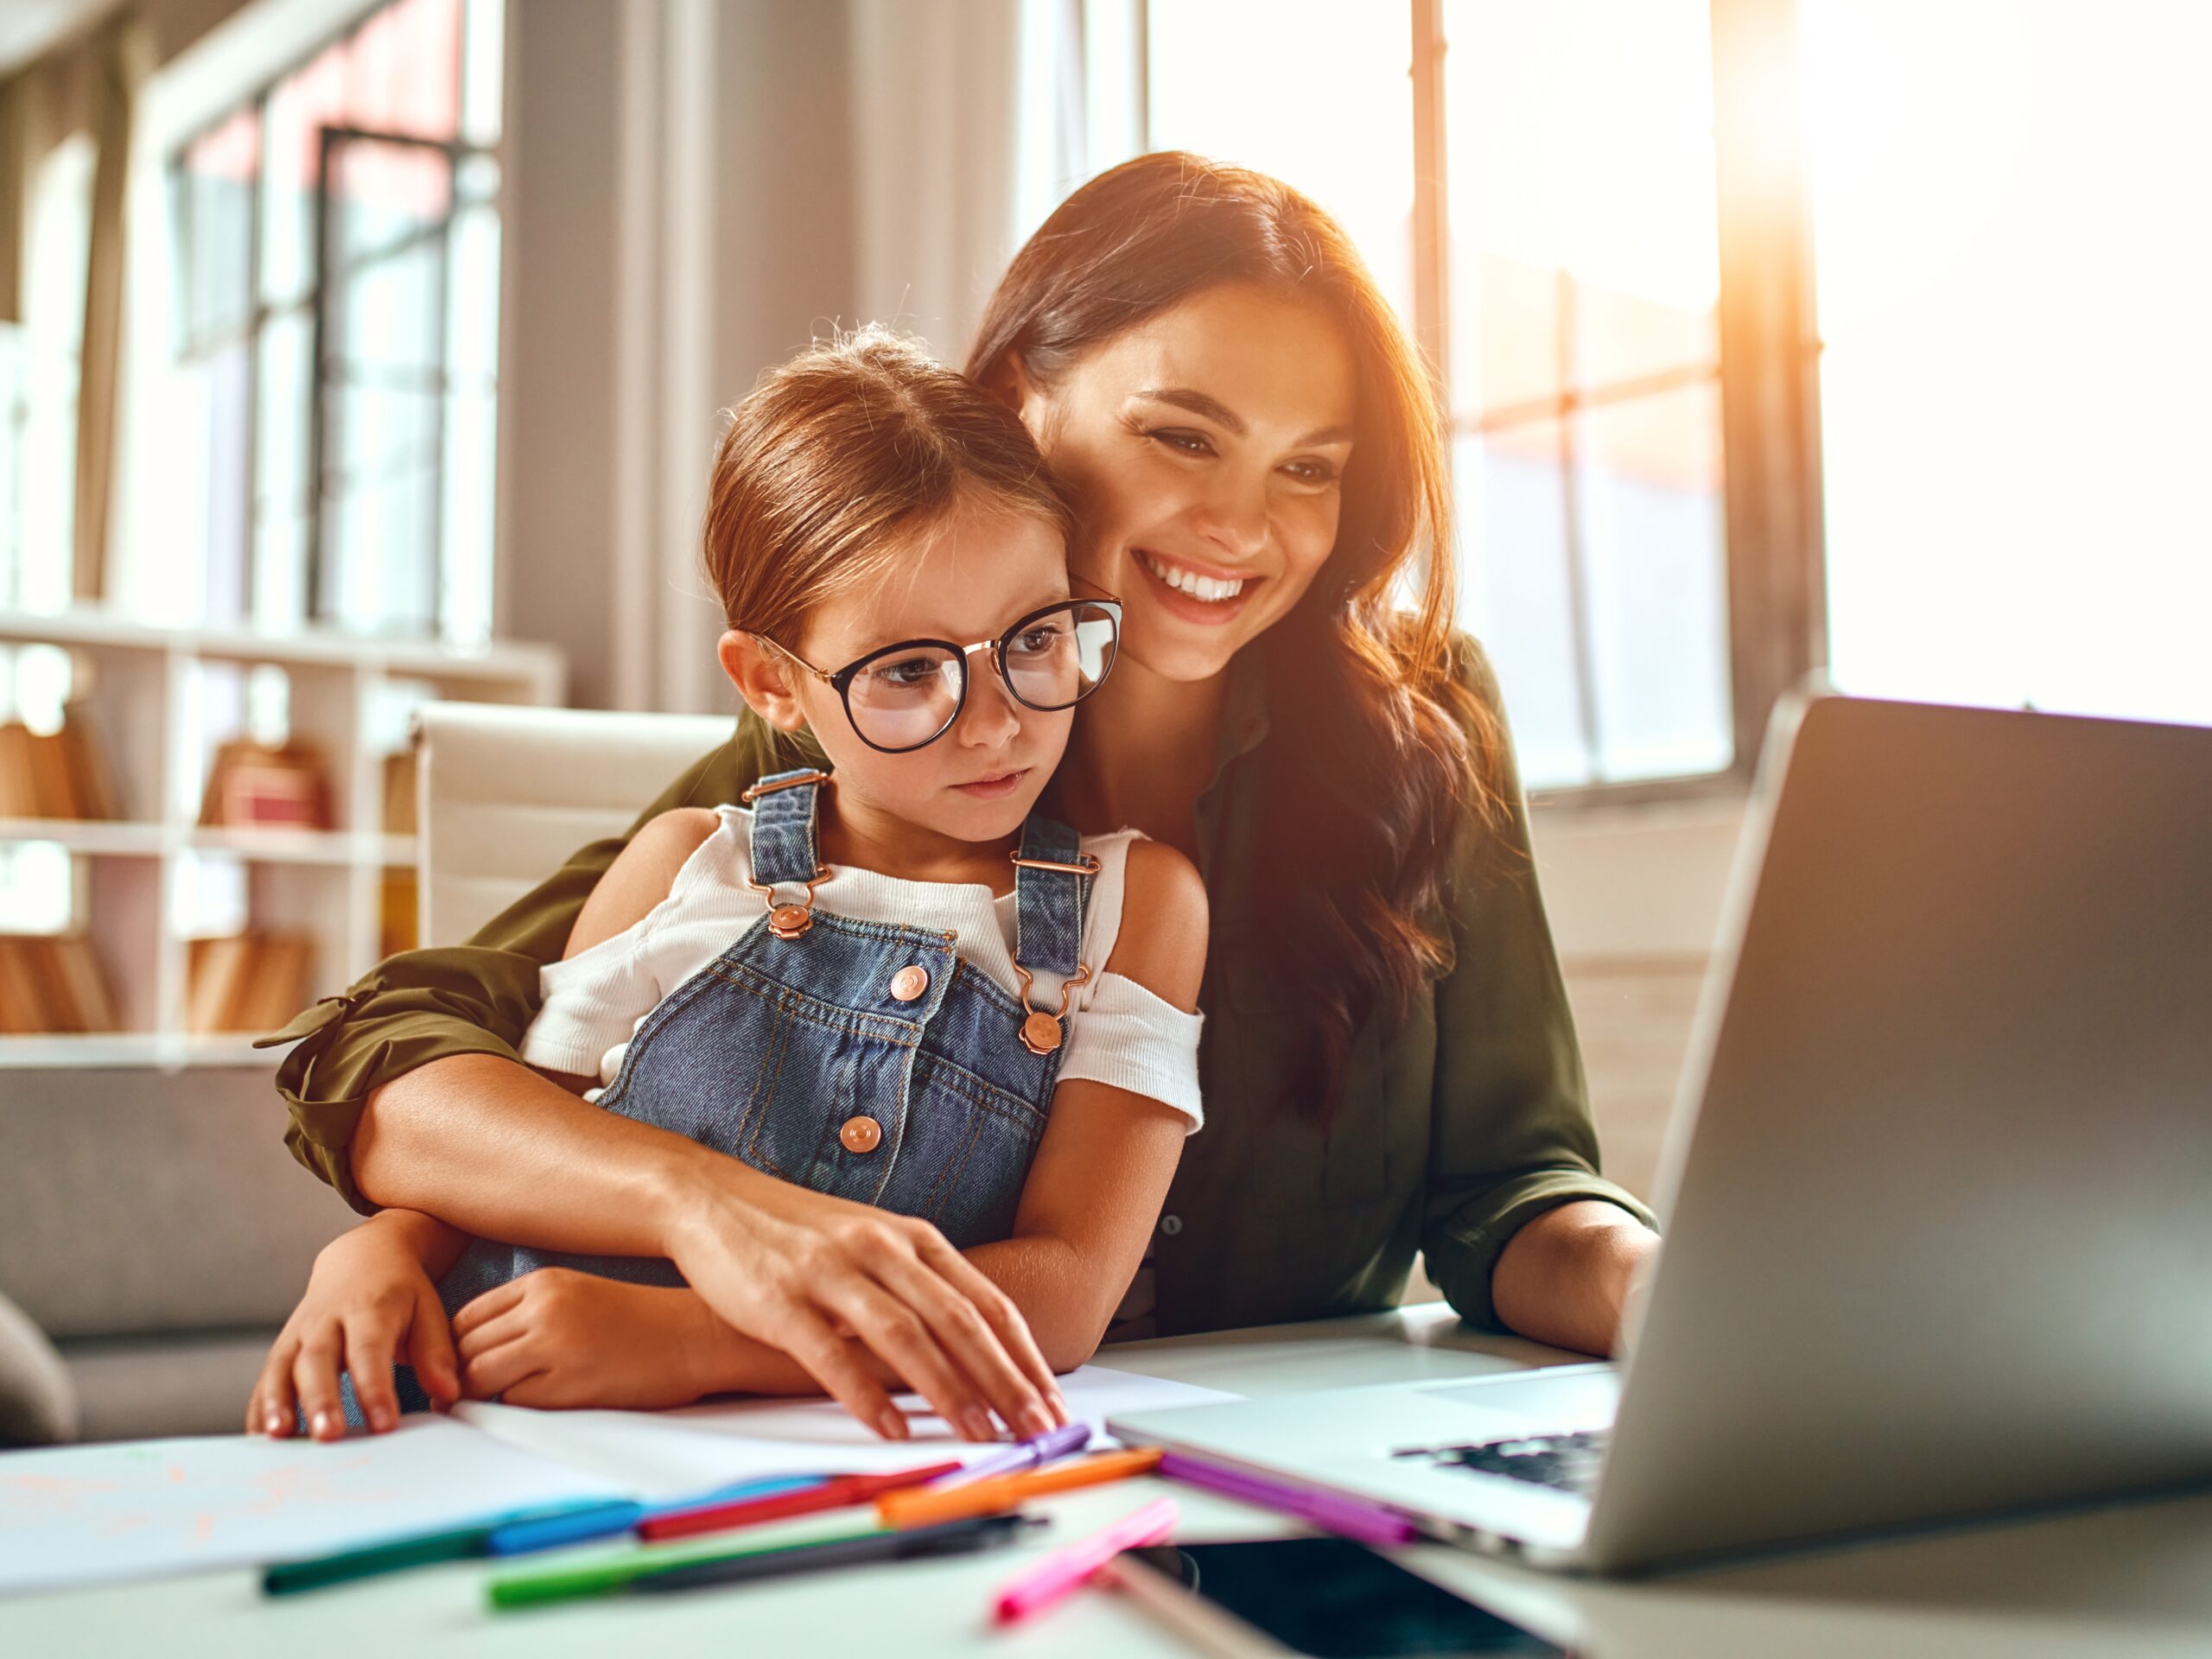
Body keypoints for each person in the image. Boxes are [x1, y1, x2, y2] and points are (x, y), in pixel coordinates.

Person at [258, 152, 1658, 1440]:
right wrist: (653, 1219)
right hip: (902, 1452)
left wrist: (1667, 1288)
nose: (1246, 528)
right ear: (1012, 409)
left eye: (1309, 468)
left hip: (1303, 1451)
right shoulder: (868, 734)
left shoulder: (1424, 716)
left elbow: (1512, 1193)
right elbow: (404, 1041)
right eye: (1182, 437)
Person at [249, 329, 1207, 1443]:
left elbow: (1068, 1290)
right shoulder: (684, 863)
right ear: (770, 683)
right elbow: (526, 1144)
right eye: (908, 671)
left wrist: (696, 1345)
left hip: (824, 1453)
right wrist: (380, 1247)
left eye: (1035, 640)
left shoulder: (1134, 911)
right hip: (509, 1426)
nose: (998, 722)